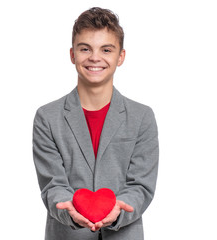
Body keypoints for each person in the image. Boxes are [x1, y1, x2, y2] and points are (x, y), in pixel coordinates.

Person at [33, 7, 159, 240]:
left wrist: (119, 209)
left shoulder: (142, 117)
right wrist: (69, 212)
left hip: (123, 233)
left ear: (120, 56)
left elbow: (141, 185)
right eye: (85, 49)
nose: (94, 57)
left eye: (106, 49)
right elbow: (53, 185)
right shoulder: (47, 117)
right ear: (72, 55)